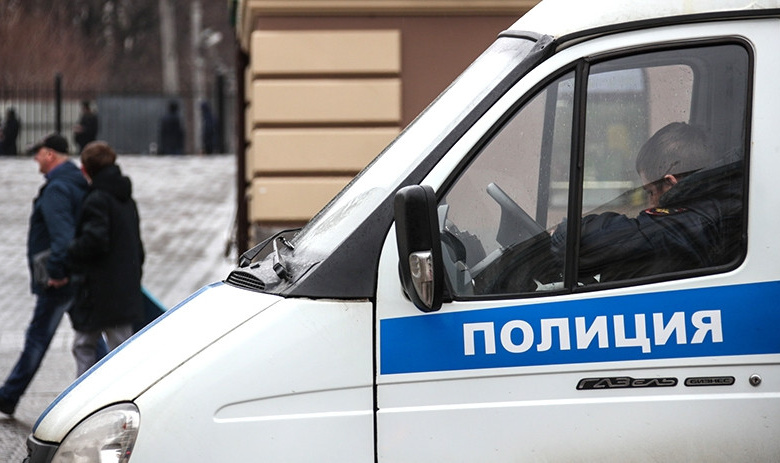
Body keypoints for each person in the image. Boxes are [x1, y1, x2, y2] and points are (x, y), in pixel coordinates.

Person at [551, 122, 743, 282]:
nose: (650, 204)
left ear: (669, 184)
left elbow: (575, 243)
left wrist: (562, 233)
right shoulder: (723, 202)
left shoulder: (690, 223)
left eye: (650, 192)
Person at [0, 133, 87, 416]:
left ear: (50, 154)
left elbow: (62, 236)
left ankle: (8, 395)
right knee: (89, 335)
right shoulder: (75, 181)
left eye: (38, 154)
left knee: (37, 337)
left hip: (58, 279)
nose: (36, 159)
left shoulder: (57, 188)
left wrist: (57, 272)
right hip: (76, 272)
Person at [68, 141, 145, 376]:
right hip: (123, 289)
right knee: (121, 349)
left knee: (84, 346)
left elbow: (94, 241)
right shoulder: (125, 198)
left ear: (85, 169)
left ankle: (83, 395)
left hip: (98, 291)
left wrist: (71, 251)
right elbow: (136, 244)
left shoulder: (97, 198)